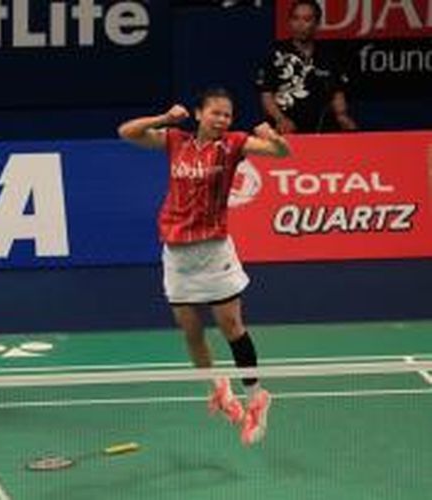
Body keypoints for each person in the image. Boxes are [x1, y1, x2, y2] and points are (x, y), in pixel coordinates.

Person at [117, 88, 291, 445]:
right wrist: (164, 118)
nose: (222, 120)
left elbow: (281, 153)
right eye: (216, 113)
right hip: (177, 252)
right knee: (191, 330)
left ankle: (256, 396)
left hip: (213, 250)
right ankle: (220, 389)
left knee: (231, 325)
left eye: (227, 115)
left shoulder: (234, 144)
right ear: (198, 113)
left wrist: (271, 135)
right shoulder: (175, 140)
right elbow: (127, 132)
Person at [256, 0, 358, 134]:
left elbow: (337, 91)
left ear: (317, 24)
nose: (300, 24)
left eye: (307, 19)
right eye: (295, 18)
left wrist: (342, 116)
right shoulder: (275, 55)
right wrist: (280, 119)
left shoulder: (328, 56)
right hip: (286, 130)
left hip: (321, 129)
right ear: (290, 22)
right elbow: (266, 94)